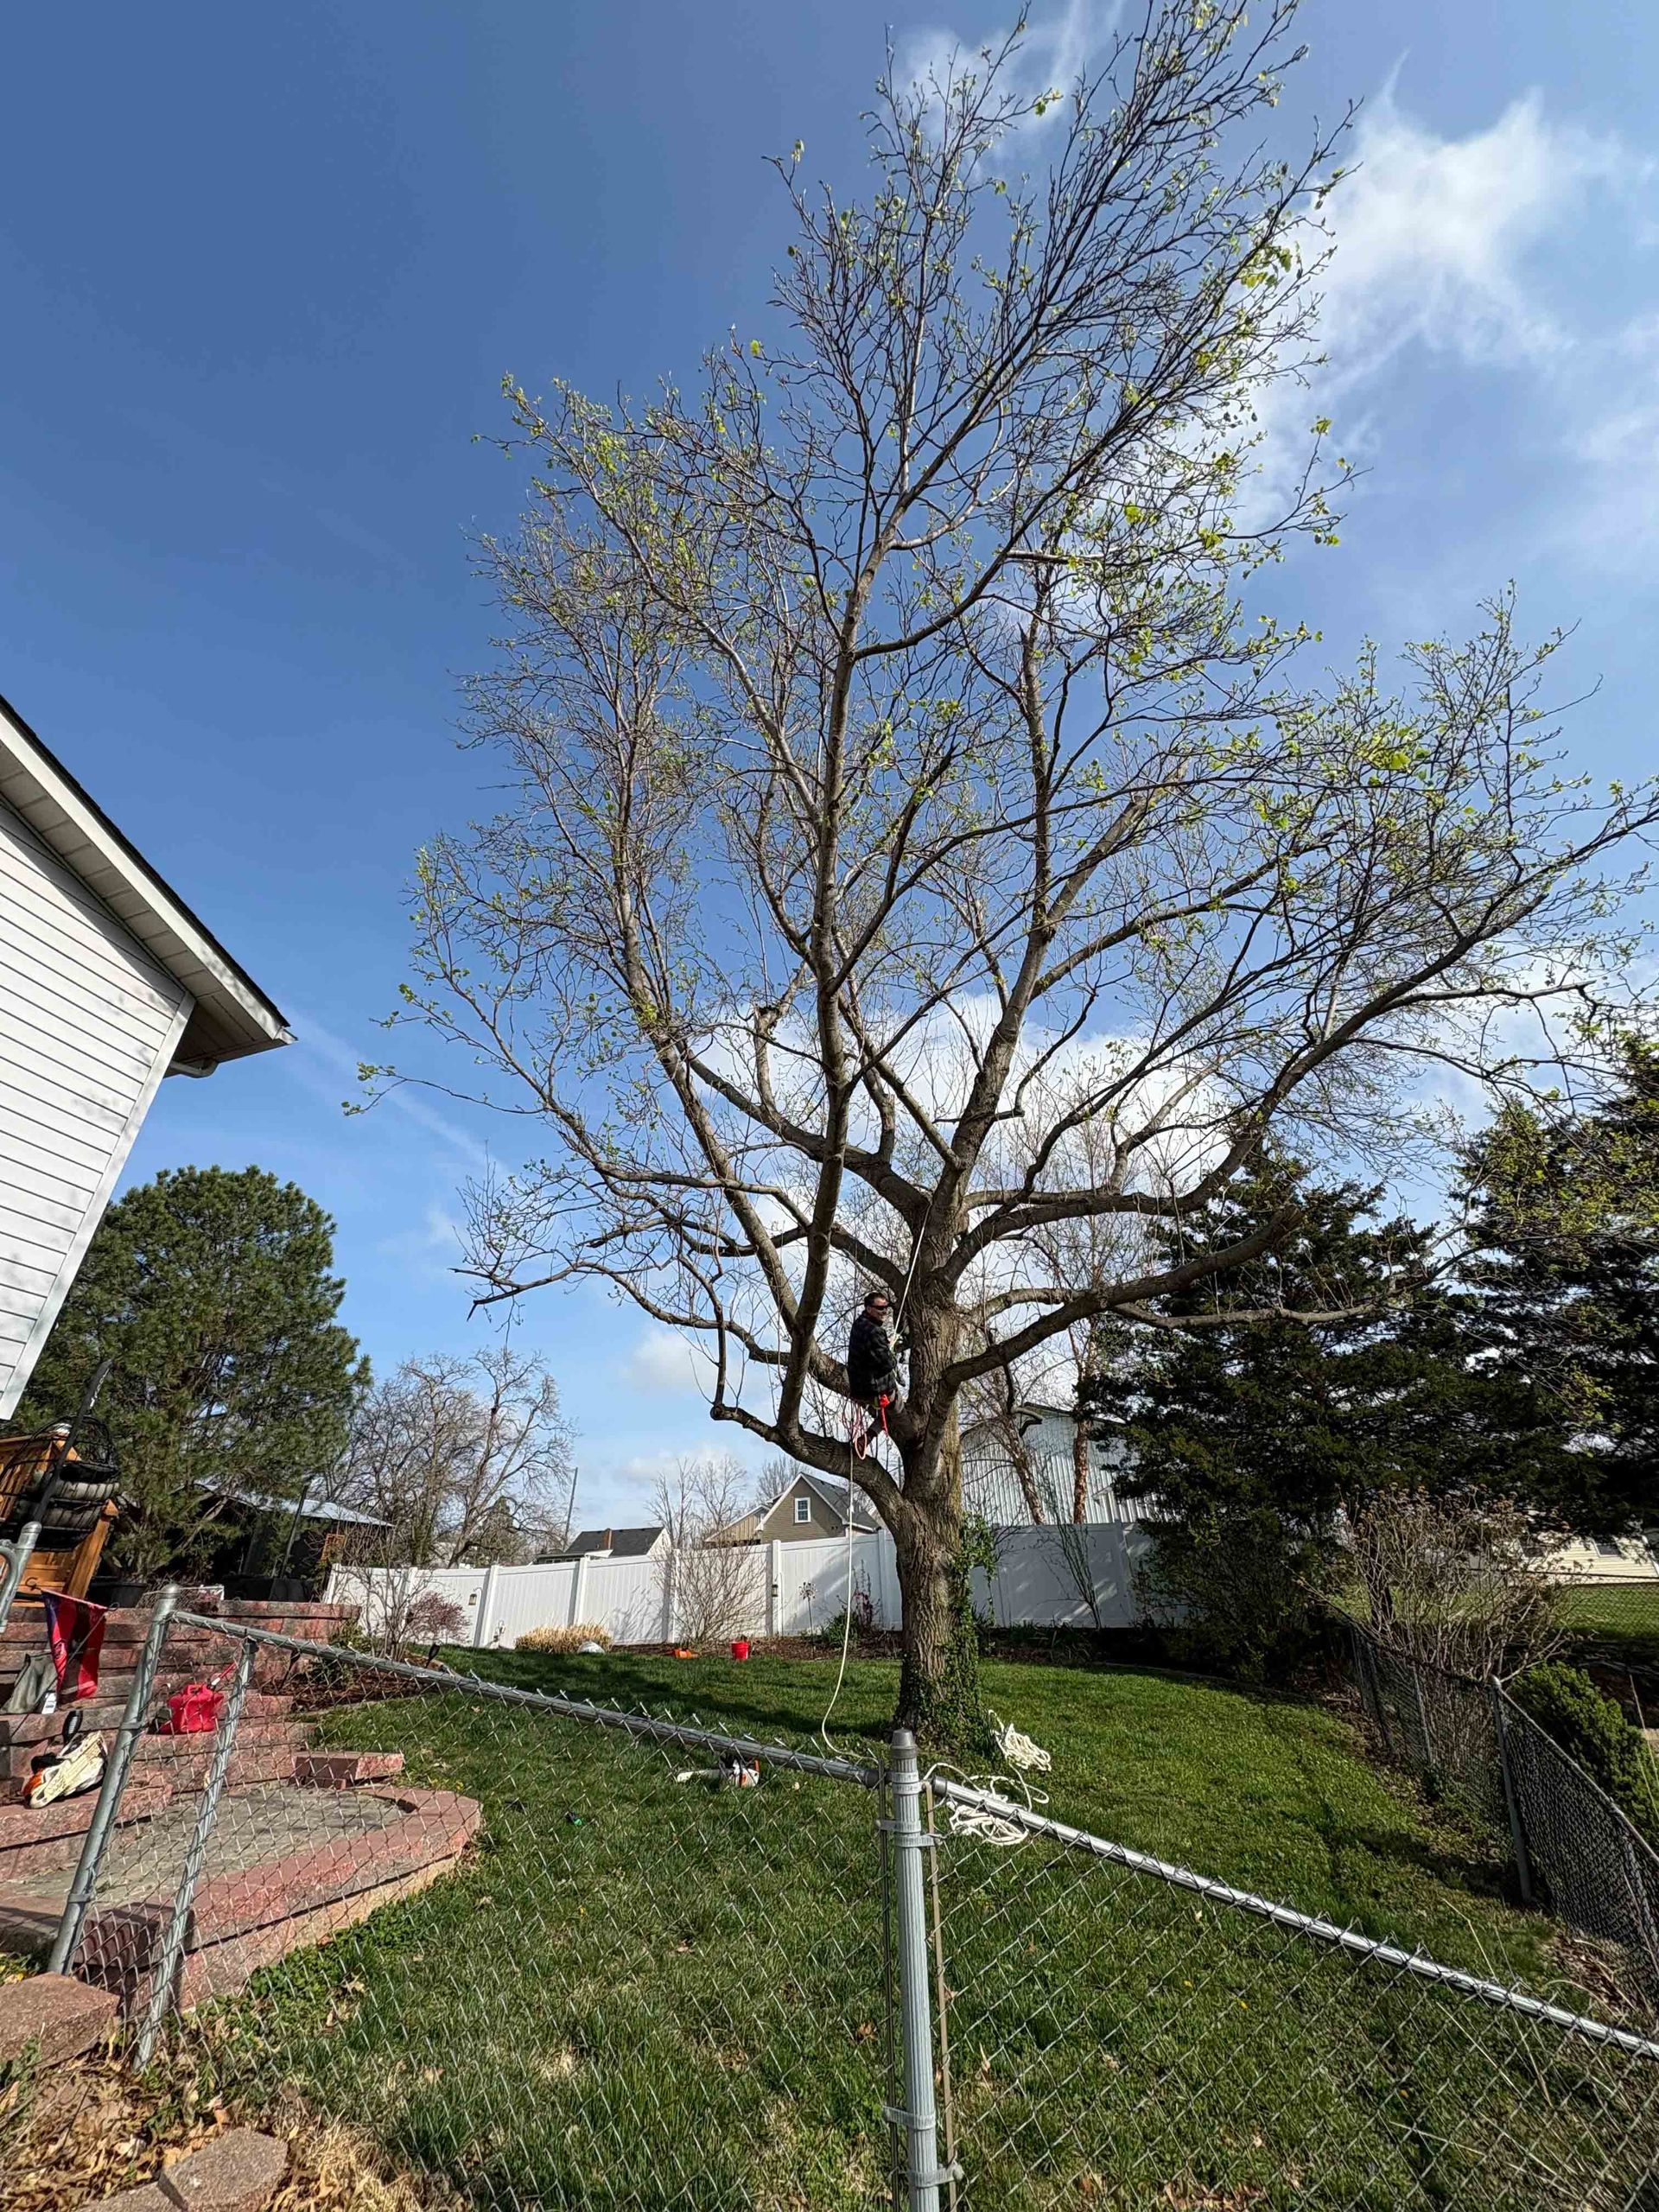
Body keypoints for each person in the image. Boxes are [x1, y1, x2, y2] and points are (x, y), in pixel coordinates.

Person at [847, 1289, 901, 1411]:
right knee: (900, 1411)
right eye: (880, 1308)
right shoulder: (874, 1331)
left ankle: (873, 1431)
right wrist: (890, 1352)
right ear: (869, 1309)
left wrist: (884, 1345)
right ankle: (911, 1431)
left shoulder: (859, 1323)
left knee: (891, 1412)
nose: (884, 1312)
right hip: (874, 1390)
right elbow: (888, 1364)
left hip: (860, 1388)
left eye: (886, 1308)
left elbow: (871, 1353)